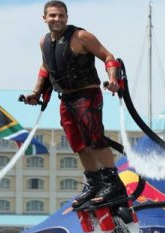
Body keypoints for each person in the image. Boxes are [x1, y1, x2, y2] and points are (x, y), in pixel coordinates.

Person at [24, 0, 127, 208]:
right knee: (78, 144)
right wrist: (36, 93)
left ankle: (113, 183)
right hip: (66, 98)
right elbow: (46, 67)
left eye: (61, 15)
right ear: (44, 18)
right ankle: (95, 183)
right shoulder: (44, 42)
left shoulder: (81, 36)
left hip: (87, 94)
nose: (57, 19)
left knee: (95, 138)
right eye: (52, 15)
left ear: (67, 18)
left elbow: (108, 56)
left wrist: (114, 80)